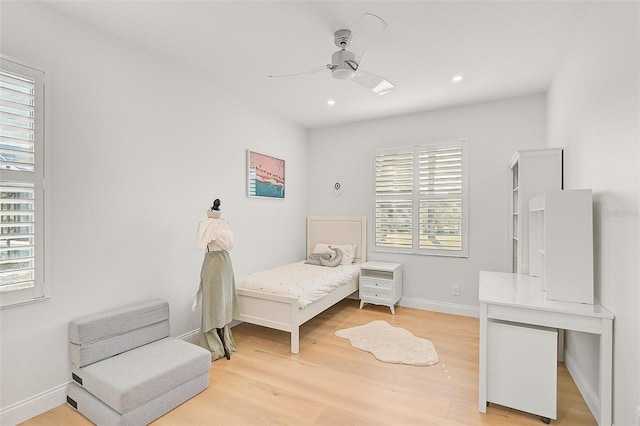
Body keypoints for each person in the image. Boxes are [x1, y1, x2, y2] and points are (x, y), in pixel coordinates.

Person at [195, 198, 237, 360]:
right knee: (213, 303)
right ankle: (214, 344)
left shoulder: (225, 222)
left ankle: (225, 340)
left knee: (224, 302)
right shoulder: (204, 223)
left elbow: (228, 245)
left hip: (226, 264)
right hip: (212, 264)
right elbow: (202, 243)